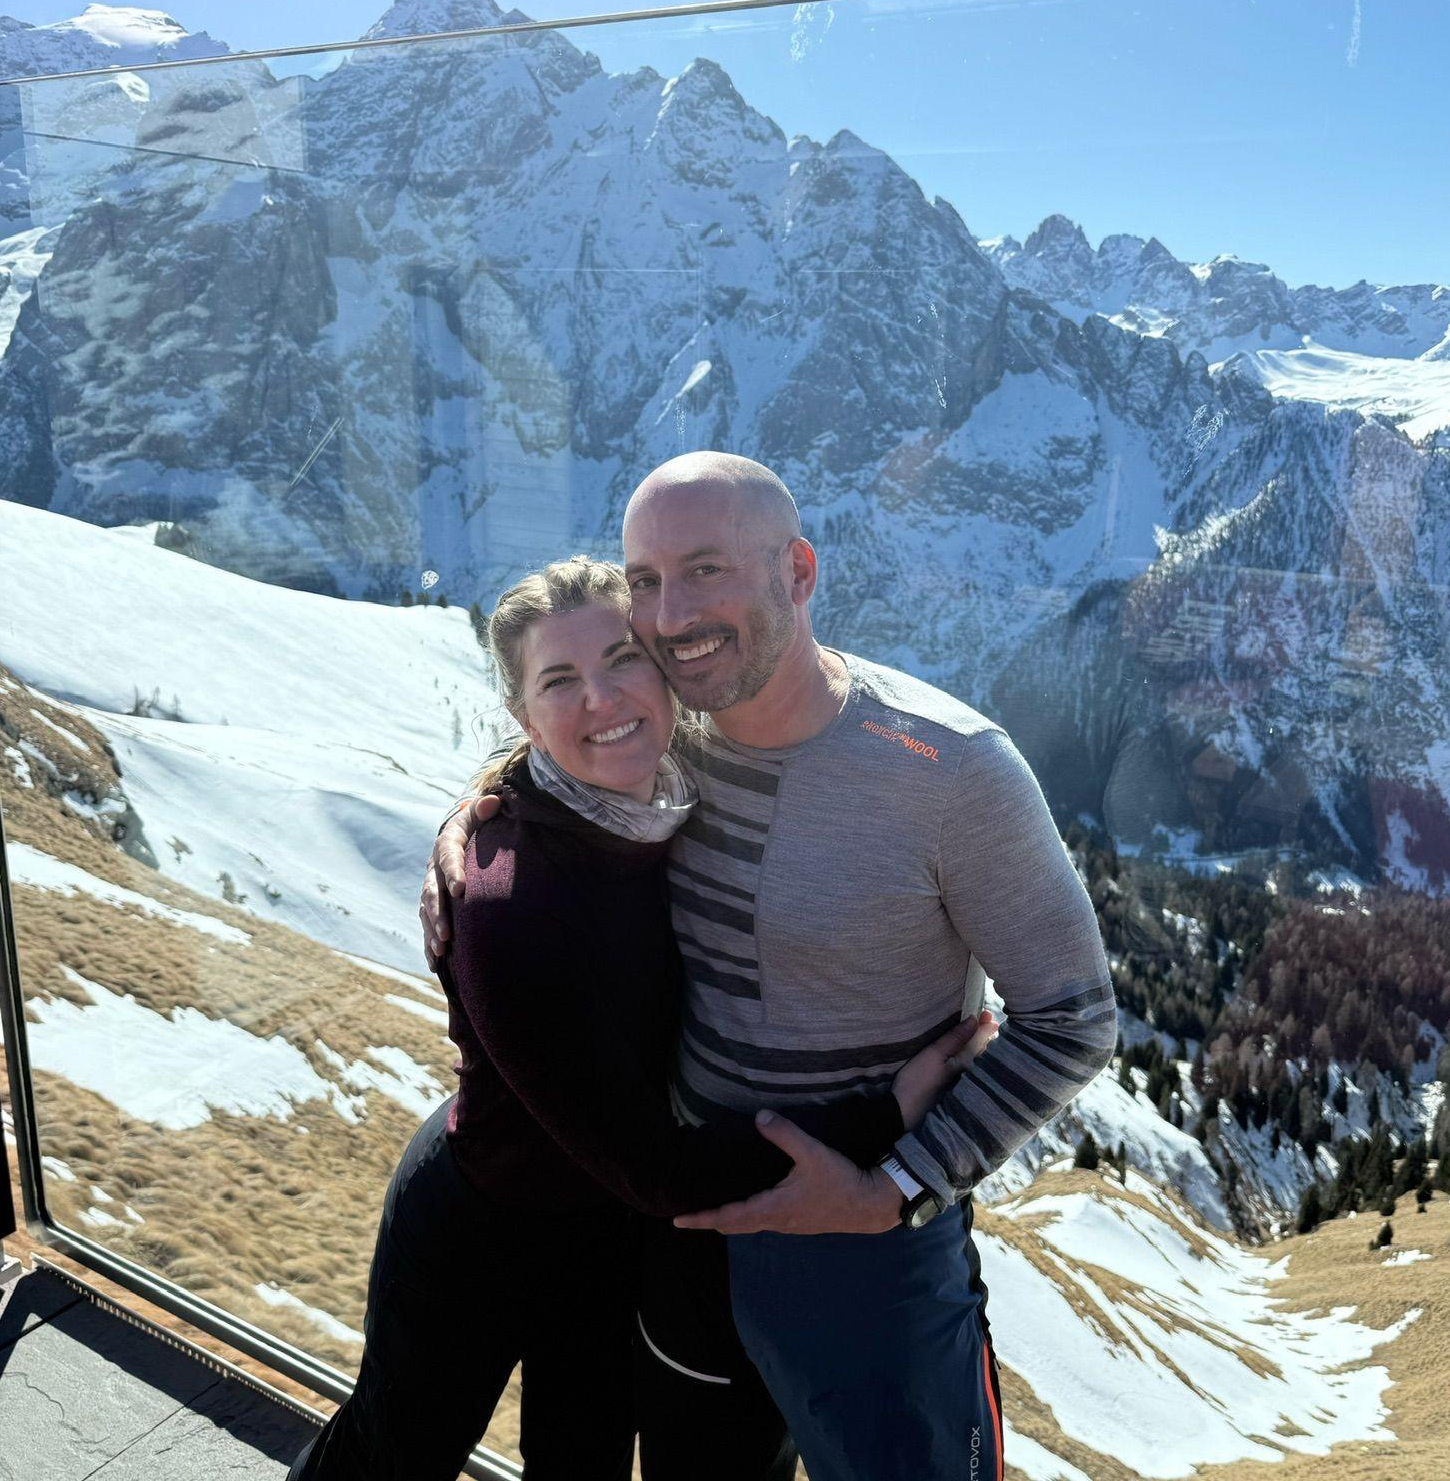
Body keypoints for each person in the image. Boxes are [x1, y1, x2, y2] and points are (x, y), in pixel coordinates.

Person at [423, 454, 1120, 1481]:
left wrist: (893, 1190)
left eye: (707, 570)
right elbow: (553, 768)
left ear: (797, 571)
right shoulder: (665, 737)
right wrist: (467, 845)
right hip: (687, 1233)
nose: (670, 615)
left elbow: (1074, 1019)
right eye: (647, 580)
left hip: (870, 1253)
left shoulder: (951, 768)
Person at [288, 556, 994, 1481]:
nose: (602, 699)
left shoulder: (674, 799)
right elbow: (656, 1167)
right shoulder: (508, 904)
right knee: (393, 1455)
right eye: (559, 682)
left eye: (623, 659)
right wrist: (884, 1112)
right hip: (487, 1230)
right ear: (522, 715)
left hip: (607, 1238)